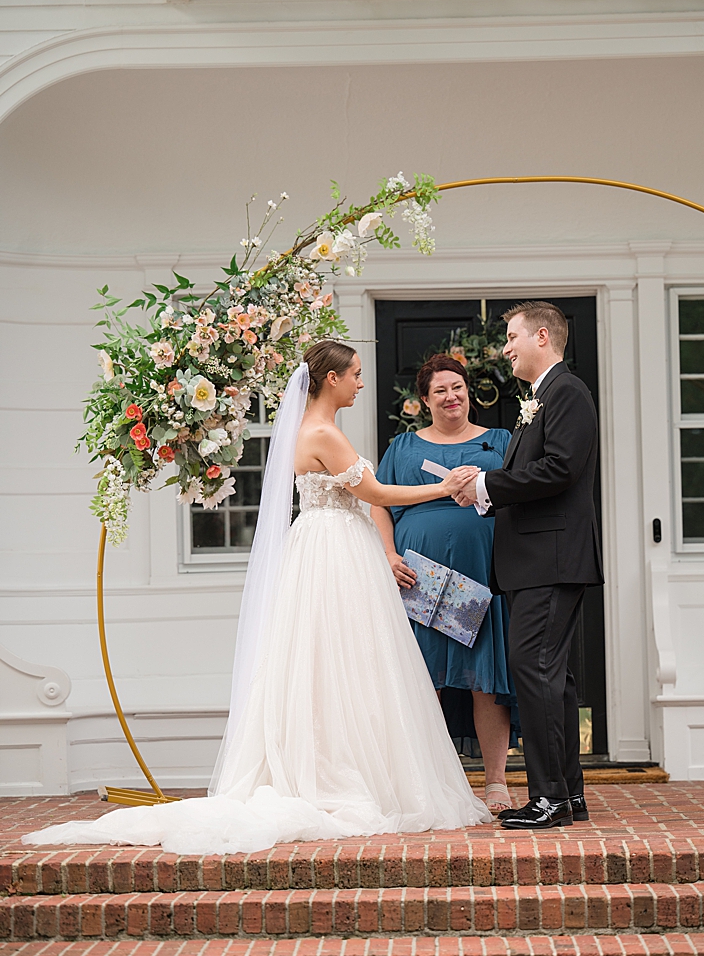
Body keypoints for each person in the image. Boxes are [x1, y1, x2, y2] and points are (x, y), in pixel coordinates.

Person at [23, 341, 493, 854]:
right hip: (335, 549)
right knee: (347, 657)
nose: (361, 382)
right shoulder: (321, 432)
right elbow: (377, 494)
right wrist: (445, 487)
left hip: (324, 545)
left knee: (331, 660)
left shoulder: (310, 429)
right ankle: (348, 773)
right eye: (355, 374)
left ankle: (341, 760)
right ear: (330, 380)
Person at [454, 302, 603, 831]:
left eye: (513, 336)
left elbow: (561, 468)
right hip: (537, 559)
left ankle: (547, 798)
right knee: (552, 680)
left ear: (543, 336)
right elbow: (537, 472)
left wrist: (488, 485)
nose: (506, 347)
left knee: (535, 673)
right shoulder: (540, 399)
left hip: (551, 559)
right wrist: (487, 488)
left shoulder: (567, 393)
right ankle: (566, 796)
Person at [373, 353, 517, 816]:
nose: (451, 396)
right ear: (424, 400)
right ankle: (424, 781)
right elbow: (379, 503)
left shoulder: (499, 441)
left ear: (468, 391)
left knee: (485, 678)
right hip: (420, 577)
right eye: (440, 390)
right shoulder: (403, 448)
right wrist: (388, 555)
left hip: (484, 572)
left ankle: (496, 781)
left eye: (457, 387)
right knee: (423, 676)